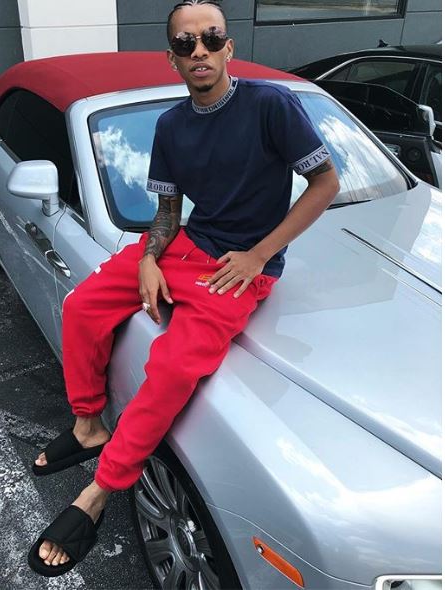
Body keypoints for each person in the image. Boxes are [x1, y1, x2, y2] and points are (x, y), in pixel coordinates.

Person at [28, 0, 340, 577]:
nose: (199, 50)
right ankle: (88, 424)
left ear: (228, 48)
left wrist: (259, 254)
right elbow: (168, 212)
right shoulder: (171, 126)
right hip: (184, 246)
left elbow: (325, 181)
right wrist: (149, 258)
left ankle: (100, 490)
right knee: (83, 306)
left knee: (173, 367)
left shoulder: (270, 105)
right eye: (184, 43)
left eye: (210, 38)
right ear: (172, 58)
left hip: (239, 268)